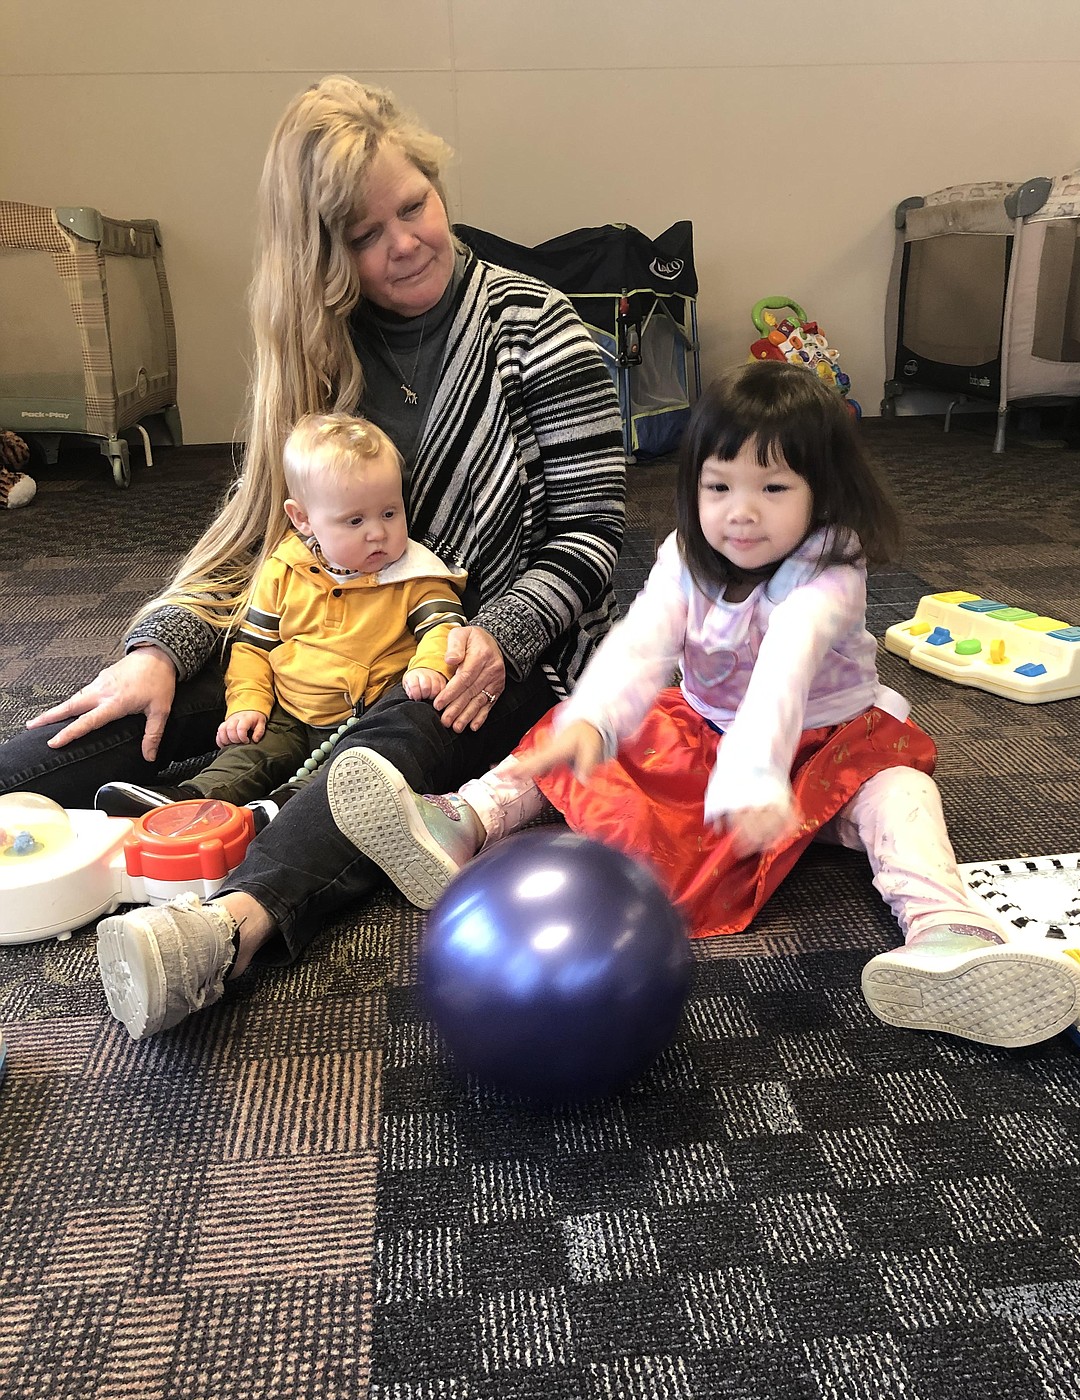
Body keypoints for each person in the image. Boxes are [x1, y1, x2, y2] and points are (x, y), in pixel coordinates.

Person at [0, 76, 624, 1039]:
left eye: (414, 205)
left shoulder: (542, 333)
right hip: (305, 638)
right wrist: (158, 649)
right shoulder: (311, 343)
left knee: (378, 764)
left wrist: (498, 634)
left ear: (437, 182)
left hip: (470, 653)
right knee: (103, 724)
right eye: (365, 235)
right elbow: (255, 537)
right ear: (323, 254)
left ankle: (223, 937)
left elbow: (591, 539)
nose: (405, 241)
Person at [326, 361, 1080, 1050]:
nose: (741, 513)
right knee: (570, 725)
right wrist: (594, 718)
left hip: (826, 750)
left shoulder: (832, 563)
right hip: (703, 735)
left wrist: (758, 771)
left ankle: (946, 937)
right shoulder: (683, 555)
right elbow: (640, 644)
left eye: (774, 488)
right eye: (719, 487)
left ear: (824, 493)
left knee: (905, 794)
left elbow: (788, 663)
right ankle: (463, 819)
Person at [94, 413, 467, 817]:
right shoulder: (285, 566)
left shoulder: (415, 573)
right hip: (289, 708)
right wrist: (248, 702)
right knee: (250, 753)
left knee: (342, 773)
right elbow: (253, 645)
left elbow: (444, 628)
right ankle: (189, 800)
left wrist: (429, 667)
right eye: (355, 521)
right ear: (302, 519)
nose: (377, 532)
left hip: (365, 716)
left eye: (390, 513)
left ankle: (282, 811)